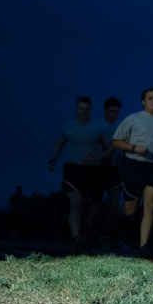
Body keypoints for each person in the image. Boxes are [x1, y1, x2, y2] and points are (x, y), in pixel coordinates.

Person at [110, 88, 153, 257]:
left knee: (150, 204)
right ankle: (123, 236)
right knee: (130, 210)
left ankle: (144, 248)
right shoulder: (133, 119)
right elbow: (116, 142)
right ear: (143, 101)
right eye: (151, 98)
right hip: (133, 167)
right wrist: (134, 148)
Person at [49, 96, 110, 254]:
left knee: (93, 207)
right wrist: (53, 159)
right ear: (76, 109)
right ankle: (76, 240)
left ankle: (86, 237)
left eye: (87, 109)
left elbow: (111, 147)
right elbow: (59, 144)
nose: (84, 112)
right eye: (81, 109)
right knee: (75, 204)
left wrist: (98, 158)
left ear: (90, 110)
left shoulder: (98, 128)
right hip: (73, 169)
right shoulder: (68, 127)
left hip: (93, 170)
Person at [97, 97, 123, 246]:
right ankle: (91, 232)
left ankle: (107, 234)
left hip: (114, 169)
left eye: (117, 112)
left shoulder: (121, 127)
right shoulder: (98, 126)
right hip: (98, 168)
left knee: (114, 203)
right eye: (112, 111)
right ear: (105, 110)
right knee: (96, 203)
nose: (114, 114)